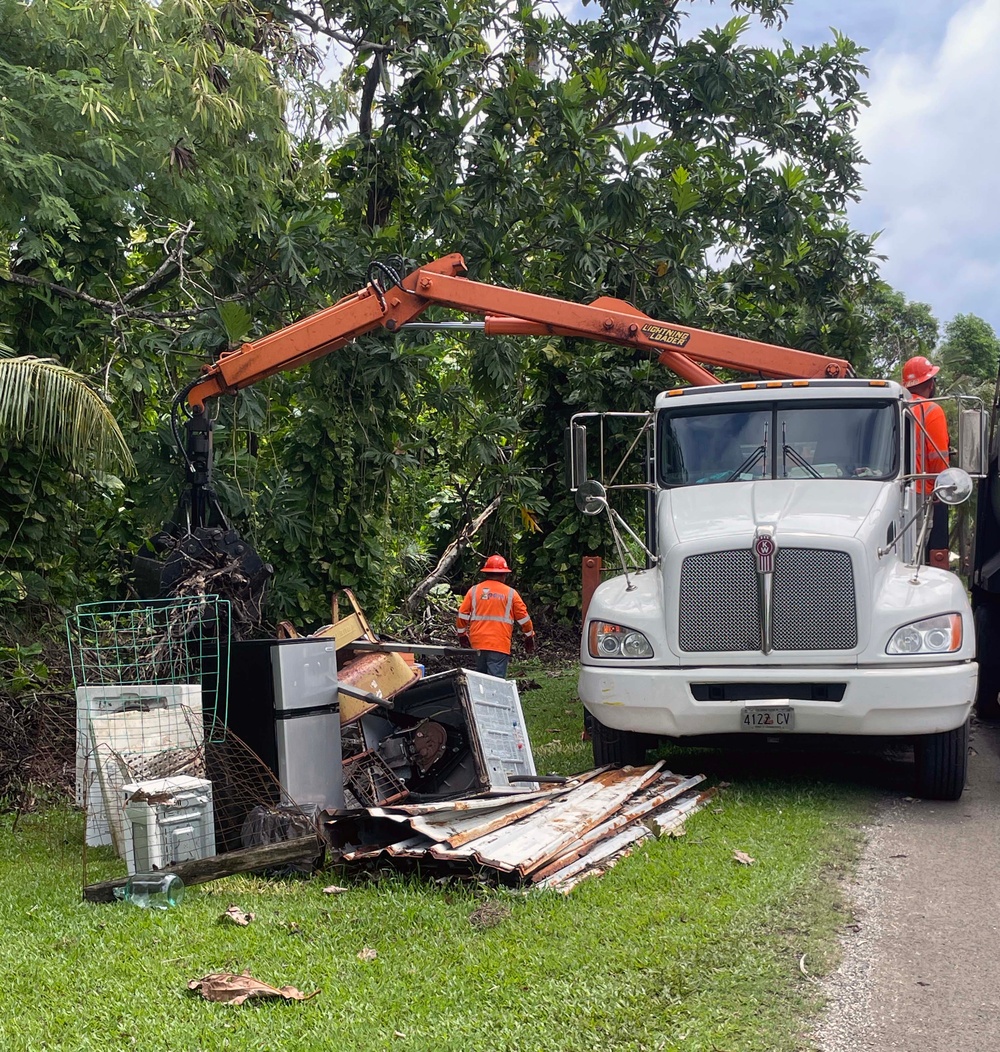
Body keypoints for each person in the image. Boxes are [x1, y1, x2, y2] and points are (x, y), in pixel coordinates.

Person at [902, 355, 950, 567]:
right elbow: (939, 456)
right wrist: (943, 488)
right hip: (922, 492)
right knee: (917, 558)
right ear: (931, 384)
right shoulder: (932, 410)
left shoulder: (895, 405)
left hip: (891, 491)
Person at [455, 554, 536, 678]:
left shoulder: (474, 591)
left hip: (478, 643)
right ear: (504, 575)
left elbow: (462, 615)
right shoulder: (511, 594)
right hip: (499, 644)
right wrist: (529, 636)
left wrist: (462, 635)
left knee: (480, 679)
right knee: (495, 682)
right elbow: (524, 619)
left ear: (486, 573)